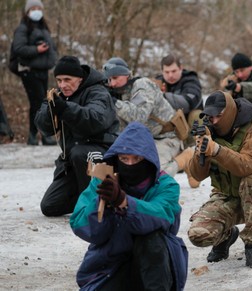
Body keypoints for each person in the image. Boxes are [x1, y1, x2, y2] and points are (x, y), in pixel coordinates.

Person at [70, 121, 188, 291]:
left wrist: (124, 202)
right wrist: (102, 202)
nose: (130, 164)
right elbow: (80, 224)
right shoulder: (103, 180)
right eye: (124, 159)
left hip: (155, 268)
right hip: (110, 267)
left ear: (148, 159)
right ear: (116, 158)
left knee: (151, 238)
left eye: (137, 158)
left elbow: (161, 215)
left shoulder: (165, 185)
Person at [187, 91, 252, 268]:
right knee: (198, 235)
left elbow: (249, 165)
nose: (214, 121)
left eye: (218, 116)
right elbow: (197, 175)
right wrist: (202, 151)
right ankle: (226, 236)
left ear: (229, 112)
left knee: (251, 180)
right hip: (228, 196)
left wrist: (216, 150)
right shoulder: (210, 131)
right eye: (210, 117)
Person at [35, 56, 119, 216]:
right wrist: (50, 111)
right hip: (72, 162)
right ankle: (88, 199)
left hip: (102, 153)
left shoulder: (98, 92)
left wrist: (65, 109)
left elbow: (95, 120)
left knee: (80, 153)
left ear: (80, 78)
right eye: (59, 80)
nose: (62, 85)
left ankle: (100, 201)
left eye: (67, 79)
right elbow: (44, 128)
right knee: (49, 206)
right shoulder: (58, 95)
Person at [102, 57, 199, 188]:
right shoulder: (119, 93)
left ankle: (186, 158)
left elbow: (138, 117)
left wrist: (112, 102)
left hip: (166, 137)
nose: (112, 84)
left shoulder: (142, 85)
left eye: (115, 78)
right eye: (109, 80)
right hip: (145, 139)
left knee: (155, 176)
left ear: (126, 75)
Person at [11, 0, 57, 145]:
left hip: (42, 71)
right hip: (29, 71)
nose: (37, 11)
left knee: (42, 103)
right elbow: (19, 49)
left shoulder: (44, 28)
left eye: (39, 8)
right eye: (33, 8)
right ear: (27, 11)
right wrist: (36, 50)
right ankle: (37, 135)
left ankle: (36, 135)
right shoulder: (23, 29)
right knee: (38, 102)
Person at [155, 53, 203, 128]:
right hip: (167, 123)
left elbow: (187, 103)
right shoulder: (158, 81)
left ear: (181, 68)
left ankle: (201, 139)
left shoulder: (191, 80)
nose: (170, 75)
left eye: (174, 71)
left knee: (196, 115)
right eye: (167, 72)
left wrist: (162, 96)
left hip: (188, 124)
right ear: (162, 71)